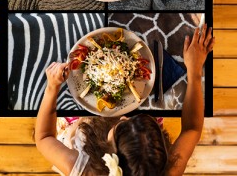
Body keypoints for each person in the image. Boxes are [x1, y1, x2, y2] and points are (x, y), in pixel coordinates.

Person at [35, 24, 215, 175]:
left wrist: (52, 87)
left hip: (85, 130)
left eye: (122, 124)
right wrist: (195, 71)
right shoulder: (167, 170)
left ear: (110, 154)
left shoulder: (85, 170)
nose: (124, 117)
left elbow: (43, 137)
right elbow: (192, 129)